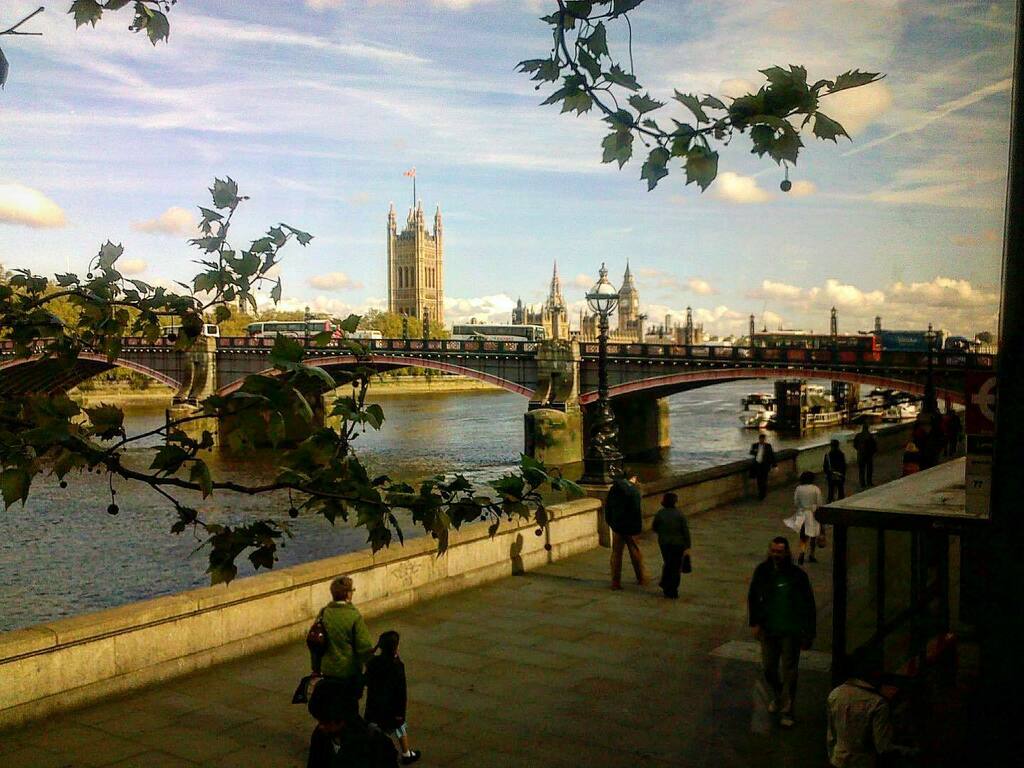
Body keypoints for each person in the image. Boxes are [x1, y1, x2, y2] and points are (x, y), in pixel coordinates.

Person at [747, 537, 816, 728]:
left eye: (780, 552)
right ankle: (779, 696)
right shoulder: (762, 571)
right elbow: (753, 596)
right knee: (769, 668)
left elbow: (808, 604)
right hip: (769, 628)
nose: (776, 555)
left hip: (791, 630)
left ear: (786, 553)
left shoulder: (797, 576)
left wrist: (808, 632)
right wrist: (755, 622)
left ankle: (787, 709)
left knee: (790, 671)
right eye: (774, 551)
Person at [827, 656, 918, 767]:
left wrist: (832, 756)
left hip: (838, 760)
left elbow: (831, 736)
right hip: (863, 763)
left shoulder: (836, 694)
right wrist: (909, 751)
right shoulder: (877, 703)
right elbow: (883, 747)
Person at [313, 576, 376, 719]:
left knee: (331, 707)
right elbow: (364, 647)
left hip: (328, 670)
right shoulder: (353, 616)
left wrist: (316, 668)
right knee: (350, 709)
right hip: (349, 672)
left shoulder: (324, 613)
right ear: (348, 594)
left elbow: (315, 643)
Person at [308, 678, 400, 768]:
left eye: (325, 722)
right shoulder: (320, 737)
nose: (321, 726)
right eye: (319, 721)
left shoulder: (377, 745)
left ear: (342, 719)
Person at [364, 631, 421, 765]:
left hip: (374, 705)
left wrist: (373, 652)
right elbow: (401, 692)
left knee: (375, 731)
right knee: (400, 728)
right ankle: (406, 752)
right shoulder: (397, 666)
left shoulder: (374, 663)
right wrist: (400, 713)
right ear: (396, 647)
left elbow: (367, 678)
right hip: (391, 707)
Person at [604, 473, 648, 590]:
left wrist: (611, 523)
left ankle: (615, 582)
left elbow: (607, 507)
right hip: (631, 526)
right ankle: (641, 578)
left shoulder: (614, 488)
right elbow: (636, 511)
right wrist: (637, 527)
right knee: (635, 551)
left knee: (616, 553)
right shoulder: (634, 491)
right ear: (634, 478)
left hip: (617, 525)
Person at [652, 492, 691, 599]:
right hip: (678, 544)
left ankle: (666, 585)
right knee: (676, 567)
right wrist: (688, 546)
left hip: (664, 544)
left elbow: (655, 527)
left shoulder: (660, 514)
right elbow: (685, 532)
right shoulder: (680, 515)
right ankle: (673, 589)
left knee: (668, 563)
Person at [786, 472, 823, 566]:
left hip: (802, 513)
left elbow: (796, 502)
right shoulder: (815, 489)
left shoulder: (799, 488)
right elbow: (819, 503)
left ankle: (802, 552)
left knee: (803, 537)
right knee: (813, 536)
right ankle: (812, 554)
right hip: (812, 513)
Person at [749, 432, 777, 500]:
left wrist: (774, 465)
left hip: (765, 466)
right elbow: (751, 452)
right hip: (757, 465)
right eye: (761, 439)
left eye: (763, 439)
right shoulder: (755, 445)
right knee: (759, 480)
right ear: (759, 439)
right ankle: (760, 493)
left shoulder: (768, 446)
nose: (762, 440)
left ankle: (763, 494)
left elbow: (771, 456)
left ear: (764, 439)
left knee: (764, 480)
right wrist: (755, 451)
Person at [852, 424, 878, 489]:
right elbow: (874, 446)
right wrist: (872, 452)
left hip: (860, 455)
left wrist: (859, 450)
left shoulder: (858, 436)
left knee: (861, 470)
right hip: (868, 455)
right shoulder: (870, 436)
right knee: (869, 469)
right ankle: (869, 482)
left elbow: (855, 445)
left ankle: (862, 484)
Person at [824, 438, 847, 503]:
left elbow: (825, 467)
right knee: (840, 491)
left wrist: (827, 474)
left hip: (831, 475)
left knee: (831, 491)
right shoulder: (841, 454)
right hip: (840, 475)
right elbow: (843, 466)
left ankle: (830, 503)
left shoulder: (828, 455)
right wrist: (843, 475)